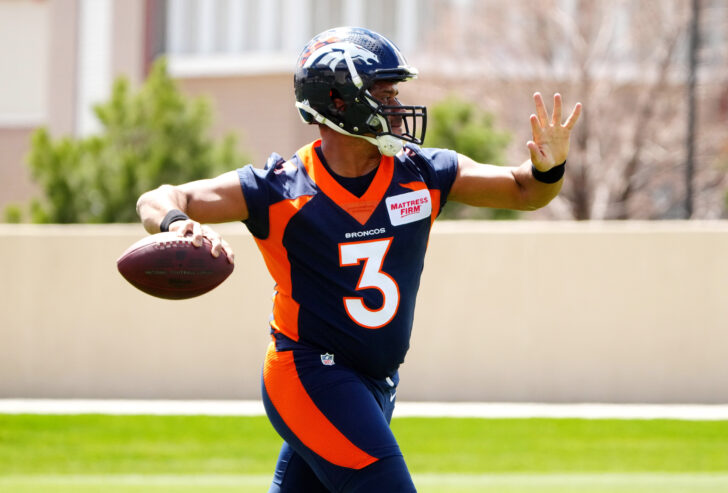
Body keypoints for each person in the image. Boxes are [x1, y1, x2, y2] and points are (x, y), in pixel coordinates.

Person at [136, 26, 581, 493]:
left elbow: (526, 191)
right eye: (383, 93)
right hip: (308, 372)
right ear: (338, 100)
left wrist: (549, 166)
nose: (395, 105)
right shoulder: (279, 187)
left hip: (375, 382)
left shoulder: (422, 172)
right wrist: (175, 222)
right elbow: (161, 196)